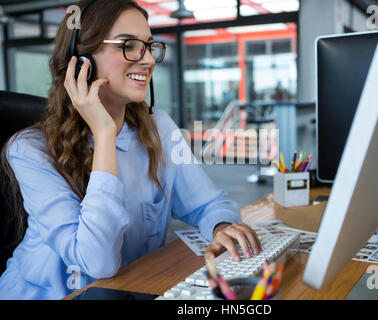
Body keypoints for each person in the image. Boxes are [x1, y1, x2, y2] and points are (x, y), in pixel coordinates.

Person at [0, 0, 260, 300]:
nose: (148, 60)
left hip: (129, 291)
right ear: (81, 59)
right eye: (129, 45)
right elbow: (97, 262)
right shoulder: (30, 150)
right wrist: (104, 134)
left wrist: (221, 226)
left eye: (149, 46)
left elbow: (206, 204)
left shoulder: (158, 128)